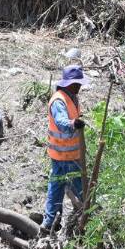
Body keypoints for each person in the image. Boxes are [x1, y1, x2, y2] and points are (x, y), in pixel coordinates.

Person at [41, 64, 89, 233]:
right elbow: (62, 123)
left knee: (57, 185)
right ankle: (87, 214)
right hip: (64, 155)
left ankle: (51, 220)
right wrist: (73, 123)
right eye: (77, 83)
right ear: (69, 83)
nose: (80, 86)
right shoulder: (59, 100)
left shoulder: (72, 97)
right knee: (78, 185)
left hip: (69, 153)